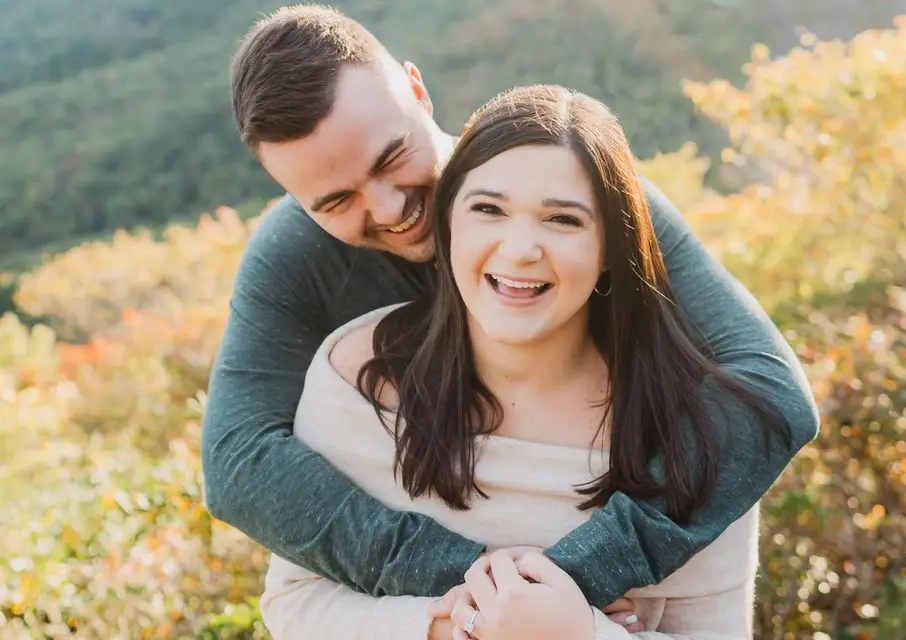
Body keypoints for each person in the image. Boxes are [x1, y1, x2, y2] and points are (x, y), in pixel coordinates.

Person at [202, 2, 818, 615]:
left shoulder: (577, 189)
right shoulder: (294, 255)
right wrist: (485, 589)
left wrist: (582, 573)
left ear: (418, 90)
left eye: (391, 158)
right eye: (336, 201)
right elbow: (237, 460)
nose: (388, 209)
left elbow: (770, 390)